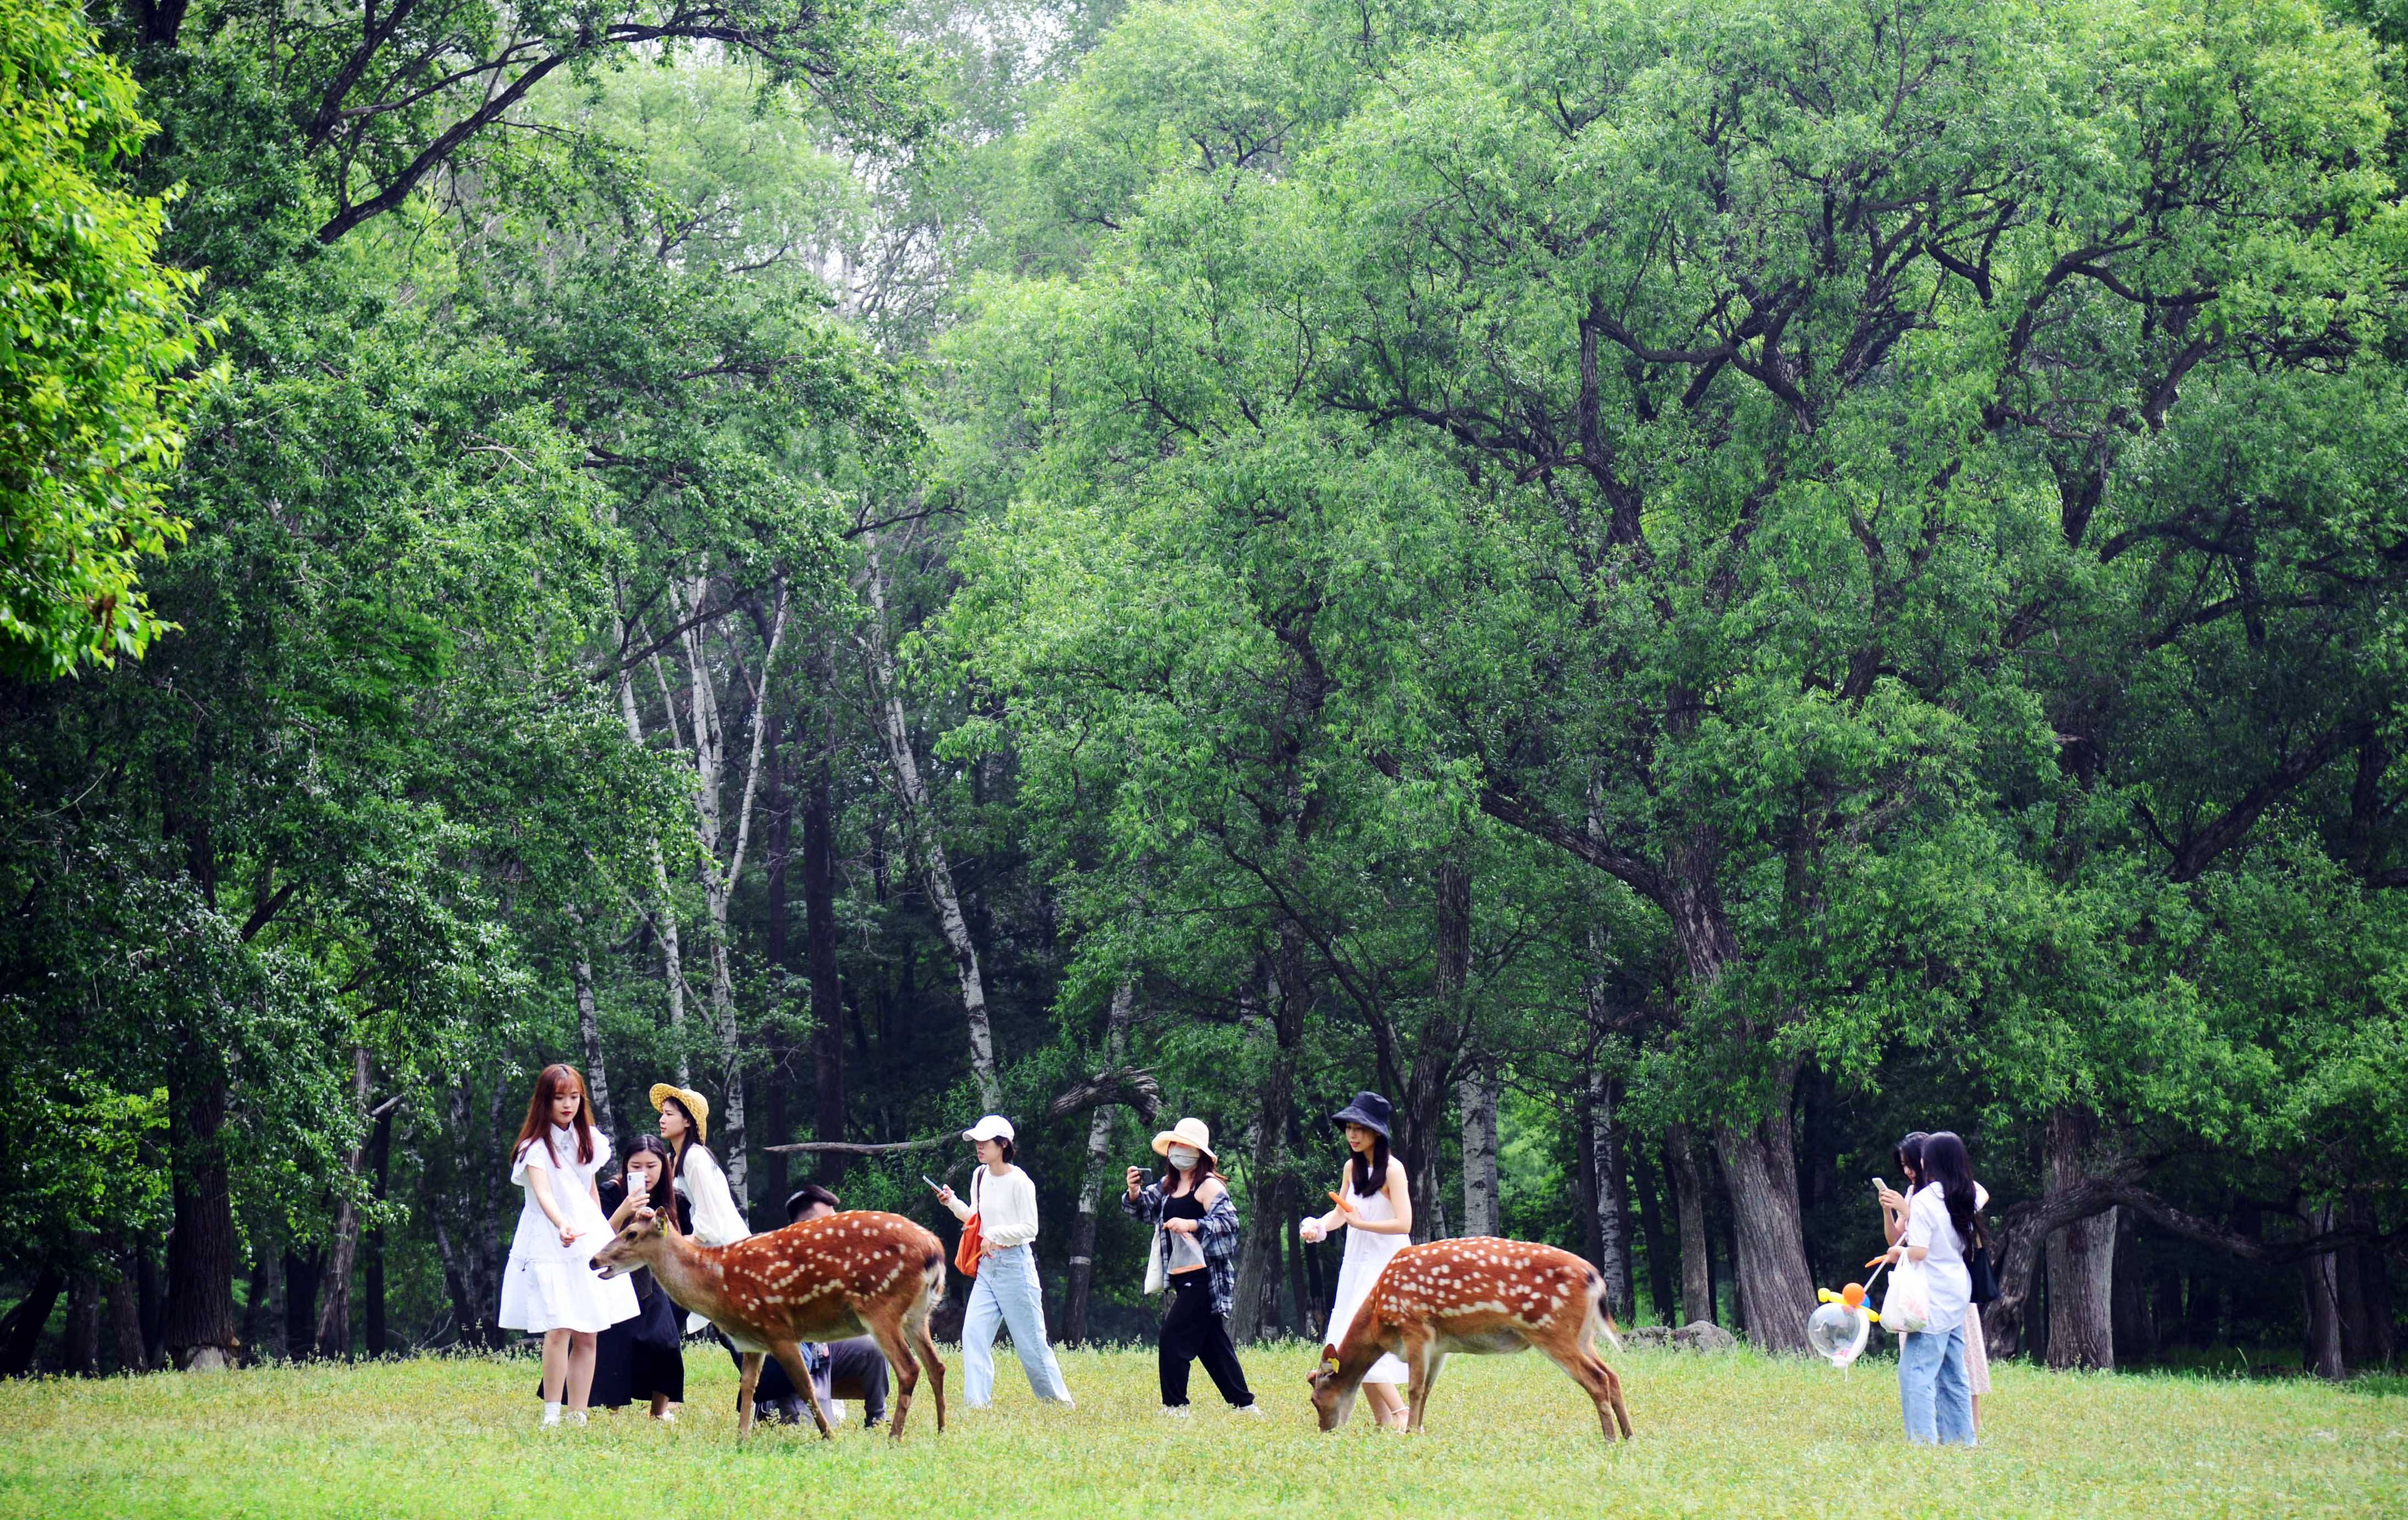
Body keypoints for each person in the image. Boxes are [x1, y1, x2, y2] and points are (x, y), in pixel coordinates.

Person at [499, 1064, 638, 1426]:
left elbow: (589, 1190)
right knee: (558, 1326)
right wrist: (562, 1225)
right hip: (549, 1239)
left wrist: (600, 1234)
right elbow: (544, 1195)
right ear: (544, 1101)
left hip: (584, 1237)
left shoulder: (587, 1140)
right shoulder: (534, 1148)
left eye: (574, 1097)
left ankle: (579, 1414)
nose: (568, 1105)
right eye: (559, 1098)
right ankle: (551, 1414)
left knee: (588, 1329)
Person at [540, 1135, 689, 1419]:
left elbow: (683, 1242)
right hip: (613, 1275)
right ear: (625, 1167)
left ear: (664, 1167)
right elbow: (598, 1238)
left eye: (652, 1166)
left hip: (651, 1279)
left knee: (665, 1342)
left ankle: (659, 1411)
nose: (644, 1174)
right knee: (614, 1344)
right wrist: (626, 1212)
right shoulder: (610, 1192)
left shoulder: (672, 1198)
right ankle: (612, 1409)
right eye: (636, 1166)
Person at [933, 1114, 1075, 1409]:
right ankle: (977, 1406)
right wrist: (952, 1203)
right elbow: (975, 1217)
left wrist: (996, 1235)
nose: (979, 1147)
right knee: (972, 1334)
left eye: (985, 1142)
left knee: (1031, 1344)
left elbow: (1030, 1229)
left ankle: (1060, 1405)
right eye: (977, 1142)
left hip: (1016, 1268)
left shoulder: (1020, 1181)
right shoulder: (980, 1175)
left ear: (1003, 1145)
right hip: (987, 1268)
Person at [1123, 1117, 1259, 1417]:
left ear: (1200, 1153)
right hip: (1182, 1276)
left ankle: (1175, 1407)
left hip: (1205, 1280)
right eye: (1176, 1145)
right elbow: (1145, 1211)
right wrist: (1134, 1193)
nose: (1179, 1151)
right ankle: (1245, 1405)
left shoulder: (1208, 1186)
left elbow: (1229, 1226)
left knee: (1172, 1336)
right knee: (1213, 1346)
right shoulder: (1168, 1185)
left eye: (1186, 1146)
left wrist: (1193, 1224)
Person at [1298, 1091, 1412, 1431]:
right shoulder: (1352, 1167)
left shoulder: (1393, 1170)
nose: (1353, 1134)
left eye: (1360, 1128)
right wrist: (1319, 1228)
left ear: (1377, 1131)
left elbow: (1404, 1223)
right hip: (1356, 1264)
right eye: (1349, 1127)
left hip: (1387, 1264)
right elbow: (1340, 1213)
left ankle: (1402, 1412)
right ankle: (1383, 1419)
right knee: (1351, 1341)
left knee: (1366, 1342)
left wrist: (1362, 1224)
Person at [752, 1183, 892, 1430]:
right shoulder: (777, 1262)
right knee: (811, 1433)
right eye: (827, 1224)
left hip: (826, 1353)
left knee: (875, 1346)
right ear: (801, 1227)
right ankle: (771, 1409)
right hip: (794, 1362)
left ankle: (877, 1421)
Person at [1880, 1132, 1992, 1432]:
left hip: (1932, 1293)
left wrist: (1898, 1252)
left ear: (1931, 1161)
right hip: (1958, 1289)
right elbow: (1983, 1192)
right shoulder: (1966, 1194)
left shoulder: (1925, 1201)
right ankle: (1961, 1439)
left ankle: (1922, 1441)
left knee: (1915, 1370)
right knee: (1955, 1370)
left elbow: (1918, 1252)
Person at [650, 1082, 750, 1335]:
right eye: (662, 1113)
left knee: (737, 1328)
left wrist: (688, 1241)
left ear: (687, 1122)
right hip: (708, 1250)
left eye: (669, 1114)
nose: (662, 1119)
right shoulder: (674, 1160)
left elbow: (709, 1210)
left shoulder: (695, 1158)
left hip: (725, 1248)